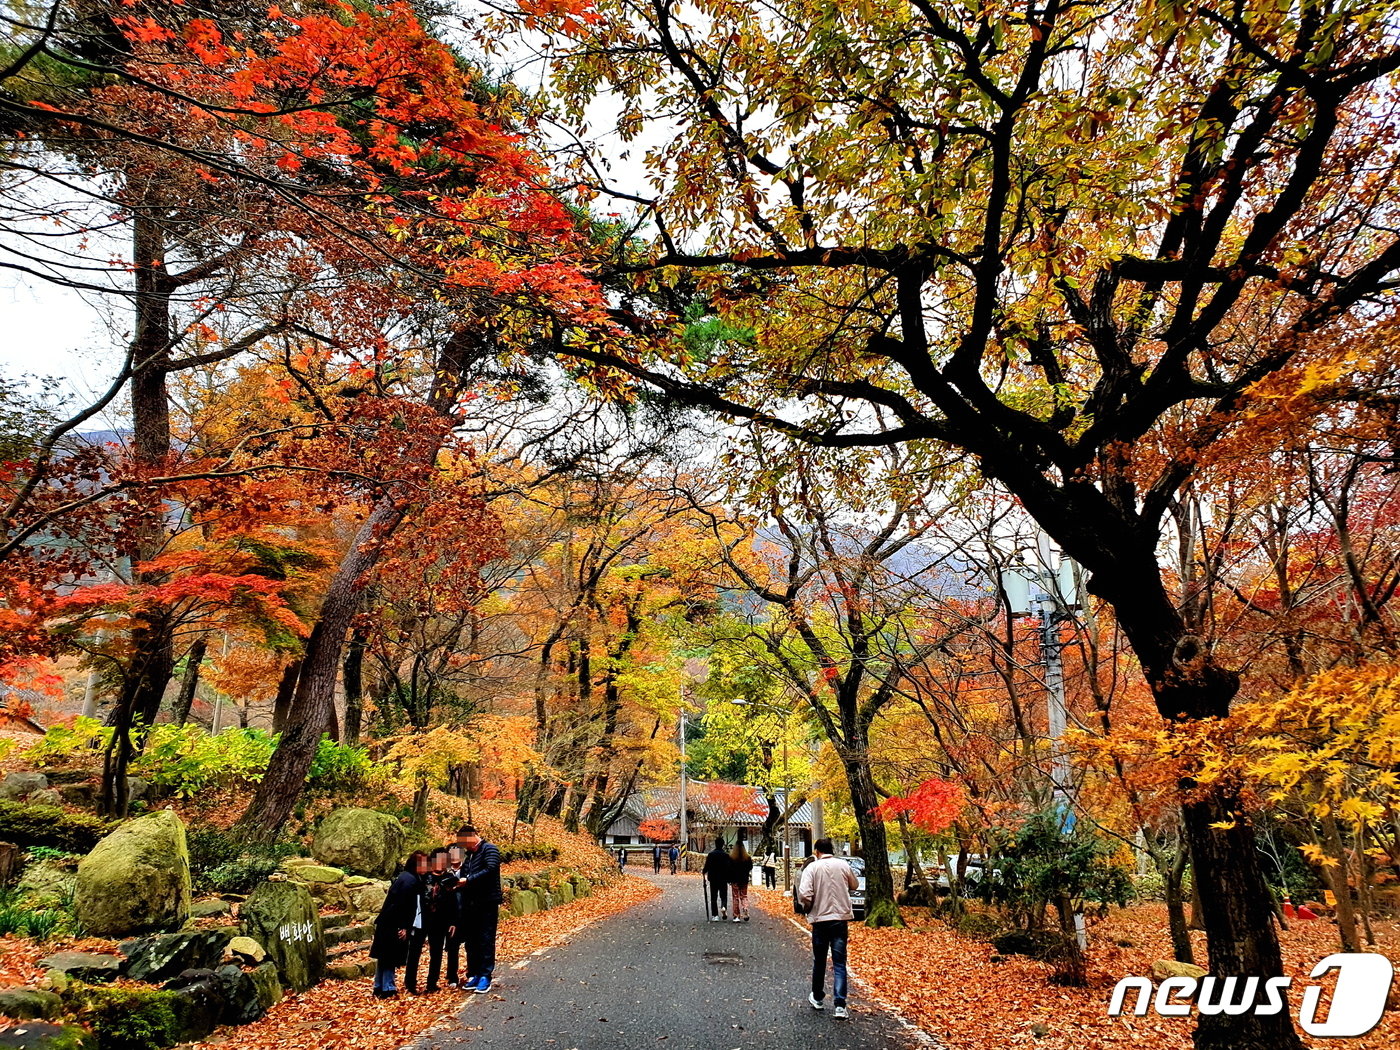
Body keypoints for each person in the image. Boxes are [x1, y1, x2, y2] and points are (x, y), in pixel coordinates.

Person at [797, 838, 858, 1020]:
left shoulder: (812, 868)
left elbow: (804, 893)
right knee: (839, 962)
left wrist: (808, 907)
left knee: (820, 960)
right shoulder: (843, 865)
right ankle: (840, 1005)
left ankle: (817, 997)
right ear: (832, 850)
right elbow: (854, 885)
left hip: (820, 919)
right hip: (840, 919)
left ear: (817, 851)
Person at [369, 851, 427, 999]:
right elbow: (402, 905)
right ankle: (388, 987)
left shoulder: (407, 878)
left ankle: (379, 986)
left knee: (384, 956)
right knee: (389, 956)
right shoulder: (409, 880)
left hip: (388, 922)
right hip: (393, 923)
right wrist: (403, 926)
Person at [456, 824, 503, 994]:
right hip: (471, 903)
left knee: (485, 939)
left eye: (463, 842)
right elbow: (465, 873)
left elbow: (490, 869)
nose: (463, 846)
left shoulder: (489, 849)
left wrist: (468, 880)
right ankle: (473, 973)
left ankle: (485, 976)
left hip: (487, 902)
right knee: (472, 941)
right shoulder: (469, 856)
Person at [406, 848, 459, 994]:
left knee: (436, 953)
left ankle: (432, 983)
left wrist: (453, 921)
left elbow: (454, 901)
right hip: (422, 920)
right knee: (414, 952)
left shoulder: (449, 878)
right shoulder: (423, 877)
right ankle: (410, 983)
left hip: (441, 921)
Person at [443, 844, 468, 988]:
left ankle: (473, 974)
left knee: (471, 946)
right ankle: (452, 976)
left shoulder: (468, 869)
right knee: (452, 947)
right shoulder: (444, 872)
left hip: (467, 913)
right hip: (450, 915)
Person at [702, 837, 731, 921]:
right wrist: (729, 878)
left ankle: (715, 915)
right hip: (723, 878)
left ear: (715, 844)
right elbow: (729, 867)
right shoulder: (726, 855)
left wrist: (704, 871)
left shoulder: (711, 854)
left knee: (713, 897)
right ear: (723, 845)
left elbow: (707, 866)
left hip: (713, 878)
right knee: (723, 896)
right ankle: (723, 906)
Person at [728, 842, 754, 922]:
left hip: (735, 879)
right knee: (744, 896)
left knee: (735, 897)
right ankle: (745, 908)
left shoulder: (732, 858)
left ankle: (736, 916)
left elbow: (729, 869)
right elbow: (750, 867)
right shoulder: (747, 858)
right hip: (744, 879)